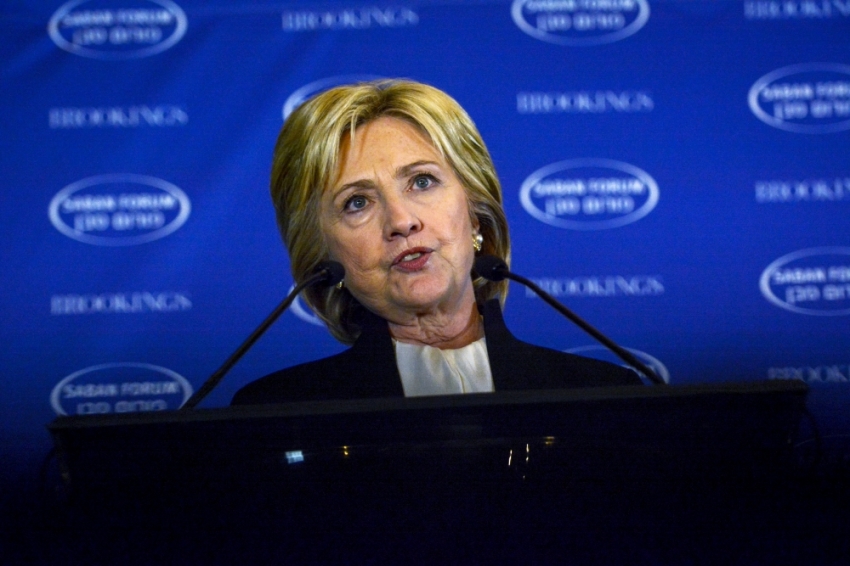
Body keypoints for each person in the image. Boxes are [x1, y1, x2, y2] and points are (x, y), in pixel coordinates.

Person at [232, 80, 640, 405]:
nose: (402, 221)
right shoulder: (277, 413)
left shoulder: (602, 398)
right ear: (321, 252)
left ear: (475, 209)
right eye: (357, 203)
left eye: (422, 182)